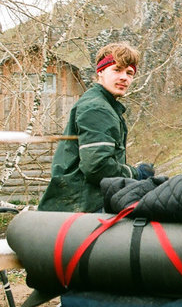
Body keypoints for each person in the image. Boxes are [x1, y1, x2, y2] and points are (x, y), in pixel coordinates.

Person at [38, 42, 155, 213]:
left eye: (129, 73)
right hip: (84, 206)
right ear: (100, 72)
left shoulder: (103, 104)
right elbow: (97, 167)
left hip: (81, 202)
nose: (124, 77)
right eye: (117, 70)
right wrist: (135, 173)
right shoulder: (97, 108)